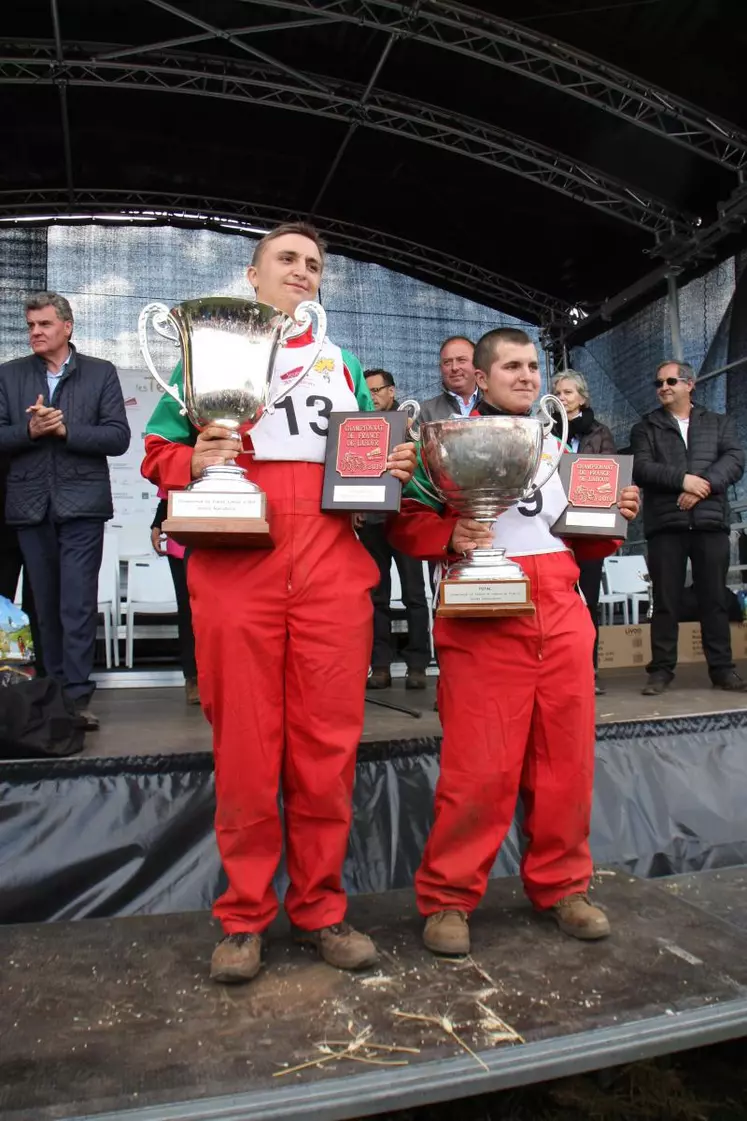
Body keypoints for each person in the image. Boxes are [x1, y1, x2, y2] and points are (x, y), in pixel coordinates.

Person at [141, 222, 416, 985]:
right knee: (246, 751)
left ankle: (323, 906)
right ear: (253, 274)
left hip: (330, 564)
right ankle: (242, 915)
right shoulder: (212, 349)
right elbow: (158, 451)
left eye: (314, 264)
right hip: (239, 566)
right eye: (286, 260)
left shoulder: (342, 361)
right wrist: (193, 456)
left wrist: (391, 461)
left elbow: (370, 453)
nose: (302, 271)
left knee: (326, 748)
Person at [389, 327, 640, 956]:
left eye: (533, 366)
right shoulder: (442, 442)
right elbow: (406, 520)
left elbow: (579, 539)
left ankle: (564, 885)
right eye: (511, 367)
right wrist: (453, 535)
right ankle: (449, 897)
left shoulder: (557, 445)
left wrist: (614, 515)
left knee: (566, 761)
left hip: (558, 603)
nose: (526, 376)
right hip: (484, 609)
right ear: (479, 375)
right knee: (479, 764)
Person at [0, 293, 130, 729]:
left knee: (76, 602)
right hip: (29, 504)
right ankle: (50, 693)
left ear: (67, 327)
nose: (35, 332)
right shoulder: (9, 374)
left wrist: (66, 429)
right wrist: (30, 430)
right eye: (31, 325)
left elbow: (117, 437)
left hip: (82, 505)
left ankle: (76, 697)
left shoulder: (100, 372)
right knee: (41, 604)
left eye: (44, 324)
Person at [630, 360, 746, 695]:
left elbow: (735, 459)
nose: (663, 387)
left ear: (689, 384)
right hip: (666, 526)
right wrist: (683, 480)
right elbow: (642, 467)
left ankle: (722, 670)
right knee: (666, 600)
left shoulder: (718, 423)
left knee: (714, 599)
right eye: (658, 383)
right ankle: (661, 671)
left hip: (710, 522)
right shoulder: (646, 427)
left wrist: (702, 486)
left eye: (670, 381)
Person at [359, 369, 431, 691]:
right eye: (368, 390)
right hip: (370, 520)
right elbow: (349, 474)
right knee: (377, 597)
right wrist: (353, 507)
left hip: (406, 519)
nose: (373, 396)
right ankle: (381, 666)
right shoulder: (358, 426)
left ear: (392, 391)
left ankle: (417, 665)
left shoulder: (411, 425)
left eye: (378, 390)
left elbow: (426, 473)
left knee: (415, 595)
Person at [552, 369, 616, 696]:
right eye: (558, 393)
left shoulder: (600, 432)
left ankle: (588, 670)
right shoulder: (546, 430)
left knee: (587, 599)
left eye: (568, 392)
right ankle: (557, 671)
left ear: (582, 397)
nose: (562, 398)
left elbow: (609, 473)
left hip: (588, 527)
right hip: (551, 529)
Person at [150, 494, 199, 705]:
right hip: (182, 536)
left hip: (224, 530)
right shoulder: (179, 460)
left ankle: (222, 676)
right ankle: (193, 678)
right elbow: (170, 487)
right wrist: (157, 524)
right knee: (188, 610)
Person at [419, 336, 480, 422]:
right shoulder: (424, 413)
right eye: (447, 362)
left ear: (477, 364)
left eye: (461, 360)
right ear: (440, 368)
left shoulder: (496, 406)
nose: (454, 368)